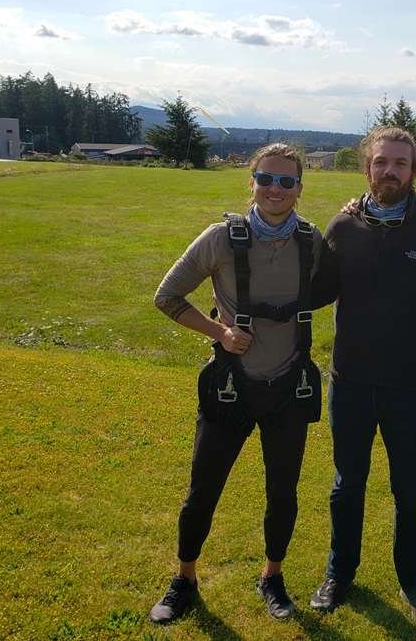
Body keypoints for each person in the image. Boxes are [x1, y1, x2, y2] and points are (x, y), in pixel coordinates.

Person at [149, 143, 323, 623]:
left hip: (288, 386)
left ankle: (272, 575)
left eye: (287, 181)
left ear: (300, 189)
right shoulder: (219, 238)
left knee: (283, 492)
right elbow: (167, 296)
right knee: (203, 489)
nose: (275, 189)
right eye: (266, 178)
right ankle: (184, 577)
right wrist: (220, 333)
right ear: (252, 181)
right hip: (230, 386)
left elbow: (345, 283)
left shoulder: (313, 242)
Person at [309, 126, 416, 623]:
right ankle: (339, 573)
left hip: (407, 389)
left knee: (411, 494)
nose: (389, 171)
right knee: (346, 485)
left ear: (414, 171)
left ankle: (415, 583)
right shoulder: (343, 227)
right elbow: (316, 293)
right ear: (366, 168)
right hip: (349, 383)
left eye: (400, 163)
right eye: (381, 162)